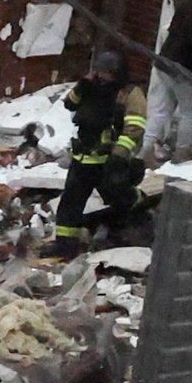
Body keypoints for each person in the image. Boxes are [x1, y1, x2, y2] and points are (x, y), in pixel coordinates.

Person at [52, 55, 147, 245]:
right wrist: (81, 86)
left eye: (106, 72)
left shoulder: (129, 93)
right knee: (70, 202)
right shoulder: (90, 86)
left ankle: (133, 210)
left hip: (108, 160)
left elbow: (135, 127)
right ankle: (64, 245)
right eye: (99, 71)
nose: (101, 76)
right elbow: (70, 103)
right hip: (82, 157)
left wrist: (119, 155)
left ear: (117, 73)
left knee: (117, 197)